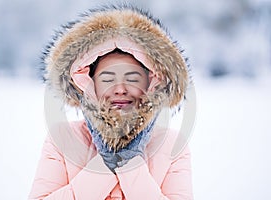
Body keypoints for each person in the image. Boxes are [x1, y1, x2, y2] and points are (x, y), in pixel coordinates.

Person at [29, 4, 193, 200]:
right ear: (90, 84)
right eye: (107, 79)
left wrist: (130, 163)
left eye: (132, 78)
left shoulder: (172, 145)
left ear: (151, 83)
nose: (120, 89)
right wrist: (105, 164)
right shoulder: (62, 138)